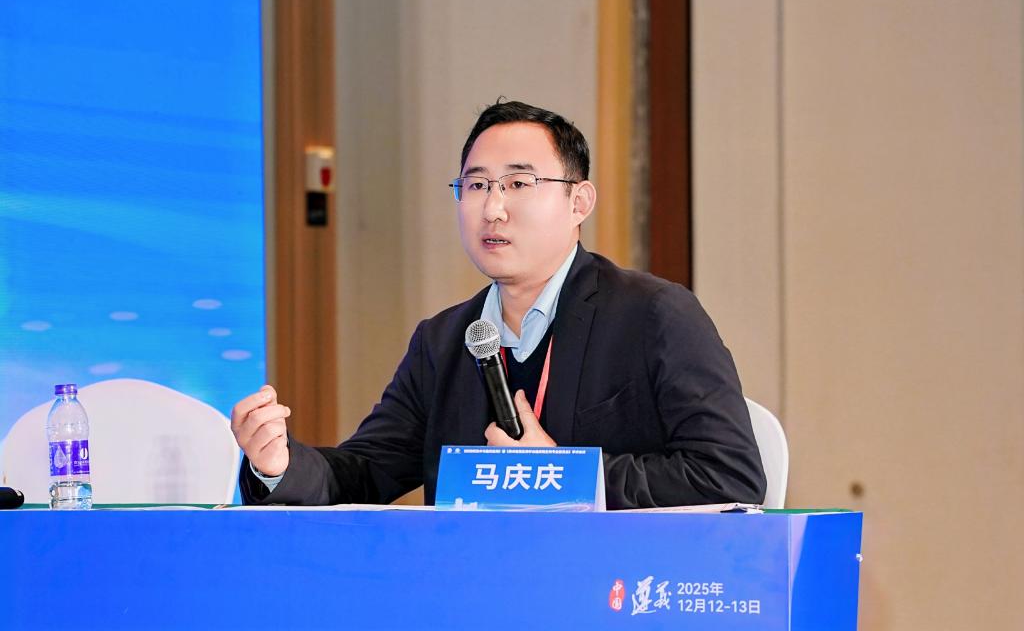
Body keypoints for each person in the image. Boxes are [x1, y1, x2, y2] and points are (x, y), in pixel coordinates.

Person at [231, 100, 766, 509]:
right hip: (473, 590)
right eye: (476, 185)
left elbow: (729, 475)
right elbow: (365, 472)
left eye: (518, 183)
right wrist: (278, 465)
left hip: (607, 590)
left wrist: (563, 476)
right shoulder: (443, 341)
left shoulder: (653, 316)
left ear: (579, 201)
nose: (493, 208)